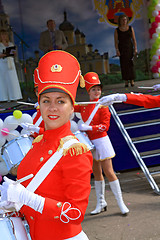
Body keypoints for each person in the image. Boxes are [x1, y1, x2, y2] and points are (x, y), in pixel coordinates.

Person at [0, 51, 93, 240]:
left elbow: (75, 214)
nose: (52, 108)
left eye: (61, 101)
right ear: (39, 105)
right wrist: (13, 203)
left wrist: (27, 198)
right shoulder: (38, 142)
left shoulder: (75, 151)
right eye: (46, 101)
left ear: (72, 106)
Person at [74, 72, 129, 215]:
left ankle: (120, 203)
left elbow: (105, 126)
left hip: (102, 141)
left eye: (98, 89)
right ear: (88, 91)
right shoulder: (85, 106)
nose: (97, 92)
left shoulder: (103, 106)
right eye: (93, 89)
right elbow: (69, 106)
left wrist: (89, 128)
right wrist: (47, 103)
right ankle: (101, 202)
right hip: (90, 142)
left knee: (109, 172)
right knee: (97, 173)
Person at [114, 14, 137, 87]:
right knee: (124, 65)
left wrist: (135, 48)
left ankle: (132, 80)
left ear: (127, 20)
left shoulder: (130, 28)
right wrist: (117, 50)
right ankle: (126, 81)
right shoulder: (117, 30)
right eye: (122, 20)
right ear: (120, 21)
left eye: (125, 19)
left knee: (131, 64)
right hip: (122, 49)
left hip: (130, 48)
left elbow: (134, 39)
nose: (124, 21)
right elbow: (116, 42)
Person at [21, 67, 45, 138]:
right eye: (37, 91)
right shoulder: (39, 107)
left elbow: (55, 133)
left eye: (42, 90)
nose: (39, 94)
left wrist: (36, 129)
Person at [0, 29, 22, 102]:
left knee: (12, 80)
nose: (4, 36)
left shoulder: (10, 44)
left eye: (5, 34)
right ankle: (5, 98)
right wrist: (4, 54)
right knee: (4, 80)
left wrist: (13, 53)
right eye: (2, 35)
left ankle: (14, 96)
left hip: (10, 63)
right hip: (2, 63)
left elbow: (14, 53)